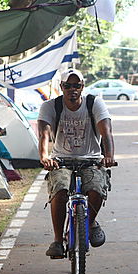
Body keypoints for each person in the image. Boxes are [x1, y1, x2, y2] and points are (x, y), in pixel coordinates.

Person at [37, 69, 116, 258]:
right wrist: (45, 157)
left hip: (91, 159)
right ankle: (57, 240)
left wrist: (109, 156)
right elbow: (44, 134)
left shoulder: (94, 103)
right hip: (61, 160)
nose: (73, 90)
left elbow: (106, 132)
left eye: (77, 86)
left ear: (83, 87)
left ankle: (89, 224)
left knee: (96, 189)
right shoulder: (50, 106)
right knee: (60, 190)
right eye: (68, 86)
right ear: (61, 87)